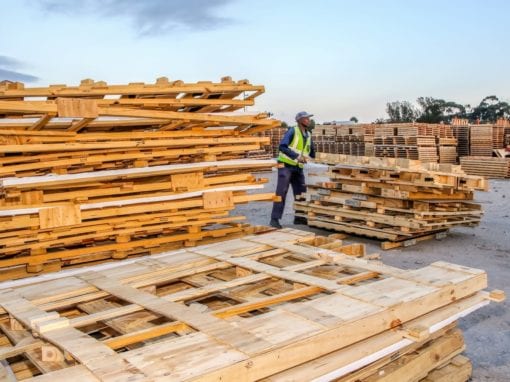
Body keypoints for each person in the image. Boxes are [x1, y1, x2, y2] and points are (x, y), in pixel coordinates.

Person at [270, 111, 316, 228]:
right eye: (306, 118)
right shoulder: (292, 131)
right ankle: (274, 219)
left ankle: (299, 218)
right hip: (285, 165)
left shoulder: (309, 134)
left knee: (301, 192)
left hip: (298, 167)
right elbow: (282, 146)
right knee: (282, 191)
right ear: (299, 120)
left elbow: (311, 152)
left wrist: (313, 157)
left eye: (309, 118)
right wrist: (296, 156)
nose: (308, 120)